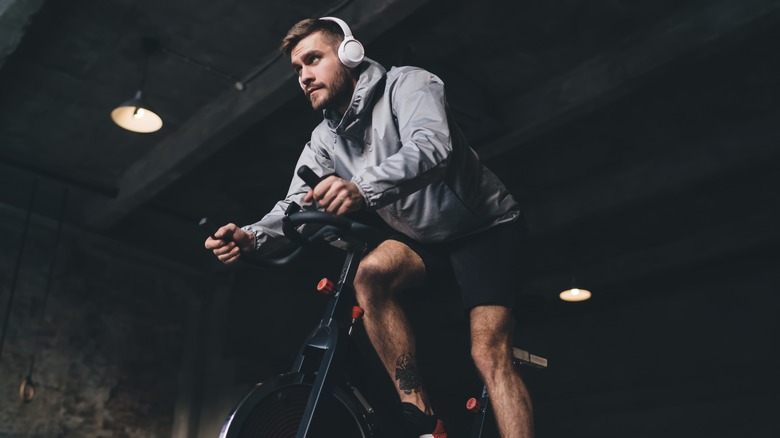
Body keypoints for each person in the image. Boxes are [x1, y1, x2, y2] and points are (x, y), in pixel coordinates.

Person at [205, 16, 534, 438]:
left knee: (489, 356)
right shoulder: (324, 139)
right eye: (297, 70)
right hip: (422, 236)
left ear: (349, 53)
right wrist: (251, 236)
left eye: (313, 60)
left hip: (485, 229)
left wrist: (361, 189)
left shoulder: (410, 84)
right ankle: (422, 418)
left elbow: (430, 149)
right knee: (369, 274)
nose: (304, 76)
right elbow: (292, 205)